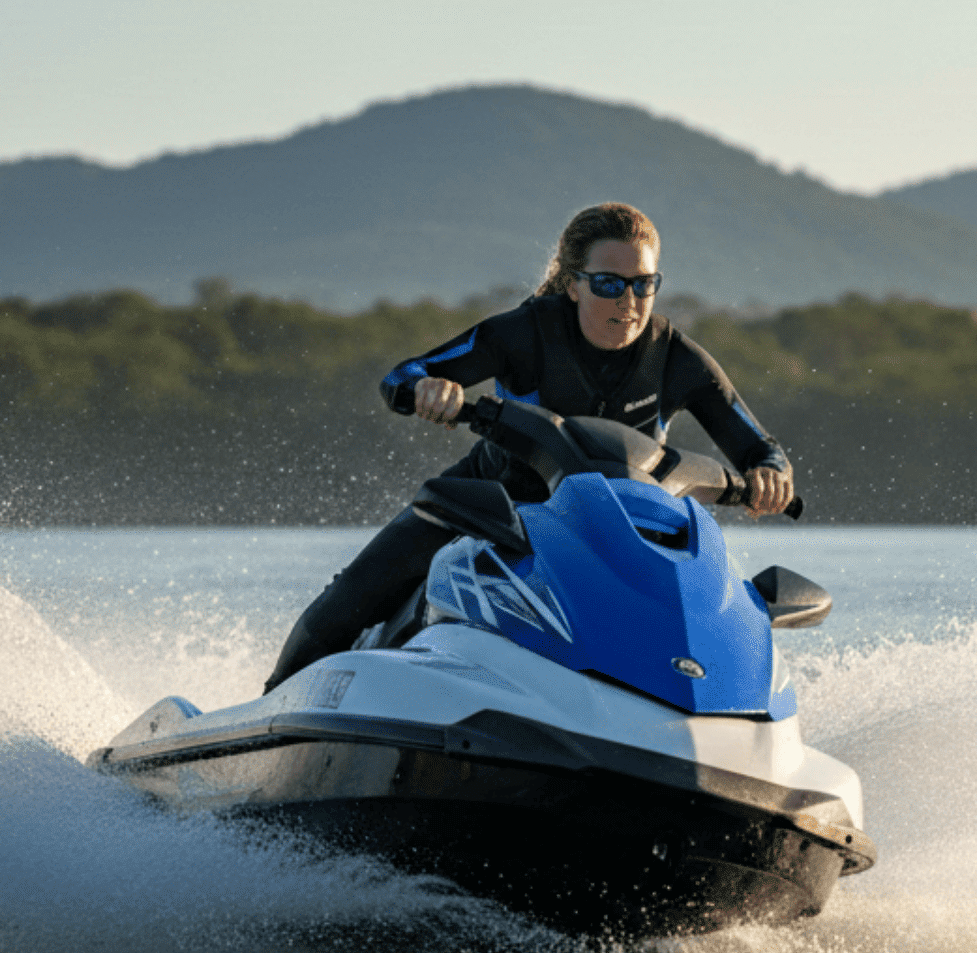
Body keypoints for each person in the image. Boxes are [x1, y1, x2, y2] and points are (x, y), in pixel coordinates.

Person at [264, 202, 795, 692]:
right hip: (492, 506)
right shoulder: (524, 333)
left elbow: (760, 449)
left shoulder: (680, 360)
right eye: (609, 284)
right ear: (573, 285)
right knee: (357, 592)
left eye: (643, 284)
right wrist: (433, 389)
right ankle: (273, 704)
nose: (628, 303)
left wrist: (770, 475)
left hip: (613, 534)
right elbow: (403, 375)